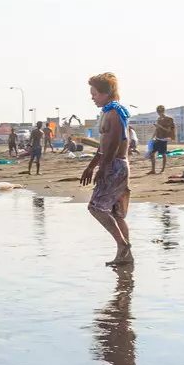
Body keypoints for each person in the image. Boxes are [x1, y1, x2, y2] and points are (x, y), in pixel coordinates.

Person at [78, 73, 133, 267]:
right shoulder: (109, 112)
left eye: (95, 94)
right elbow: (103, 146)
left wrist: (103, 167)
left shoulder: (114, 113)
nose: (92, 97)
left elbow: (114, 143)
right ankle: (125, 256)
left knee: (96, 207)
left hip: (115, 165)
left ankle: (123, 245)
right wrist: (91, 166)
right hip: (115, 164)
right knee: (116, 213)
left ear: (106, 93)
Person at [149, 105, 175, 175]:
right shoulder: (159, 119)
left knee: (163, 154)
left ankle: (162, 170)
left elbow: (169, 130)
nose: (159, 112)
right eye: (158, 111)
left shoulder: (169, 119)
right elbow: (157, 129)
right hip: (158, 138)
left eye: (159, 111)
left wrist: (160, 127)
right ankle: (153, 170)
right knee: (152, 153)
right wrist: (152, 137)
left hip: (164, 138)